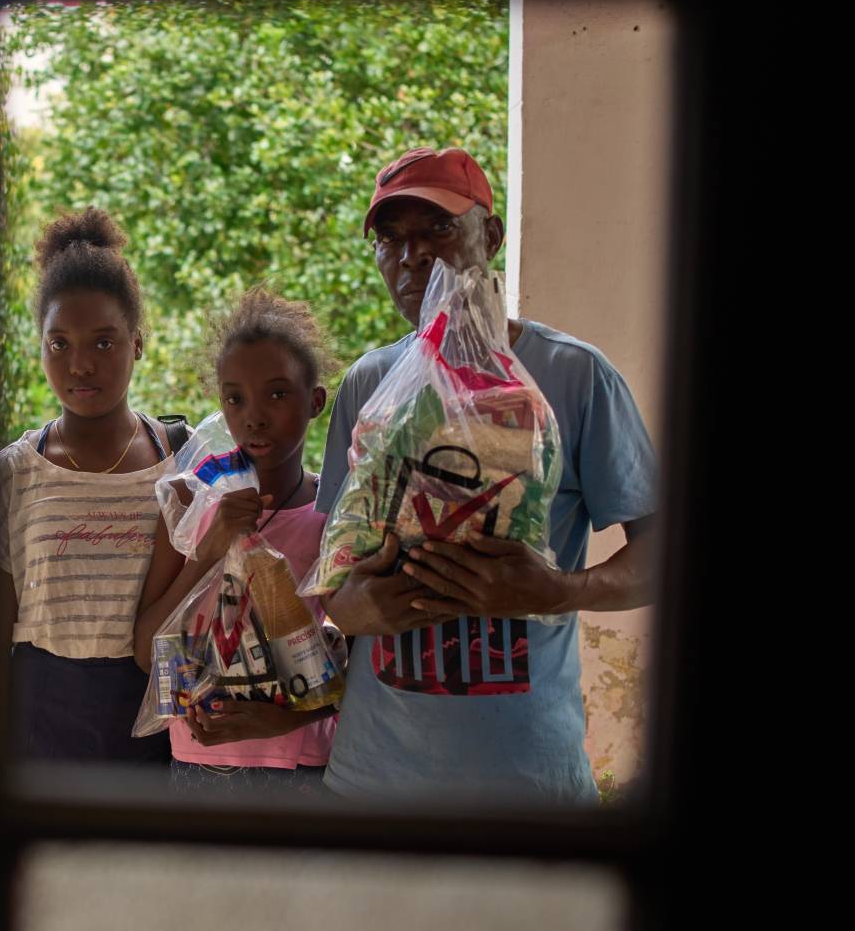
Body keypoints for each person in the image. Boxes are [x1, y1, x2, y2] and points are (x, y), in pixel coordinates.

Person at [317, 146, 658, 806]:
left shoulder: (574, 376)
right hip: (372, 788)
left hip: (529, 790)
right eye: (390, 239)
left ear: (490, 236)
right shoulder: (369, 386)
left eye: (437, 229)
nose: (410, 255)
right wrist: (355, 610)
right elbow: (332, 580)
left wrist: (558, 589)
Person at [133, 288, 338, 797]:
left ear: (315, 401)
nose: (254, 417)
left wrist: (281, 721)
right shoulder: (189, 506)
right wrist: (212, 548)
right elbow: (145, 652)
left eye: (277, 393)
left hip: (301, 766)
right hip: (197, 763)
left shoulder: (331, 515)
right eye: (234, 398)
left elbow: (355, 666)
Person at [0, 208, 178, 764]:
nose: (80, 365)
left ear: (138, 342)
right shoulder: (13, 473)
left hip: (157, 716)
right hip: (41, 723)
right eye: (59, 344)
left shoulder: (183, 461)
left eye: (103, 342)